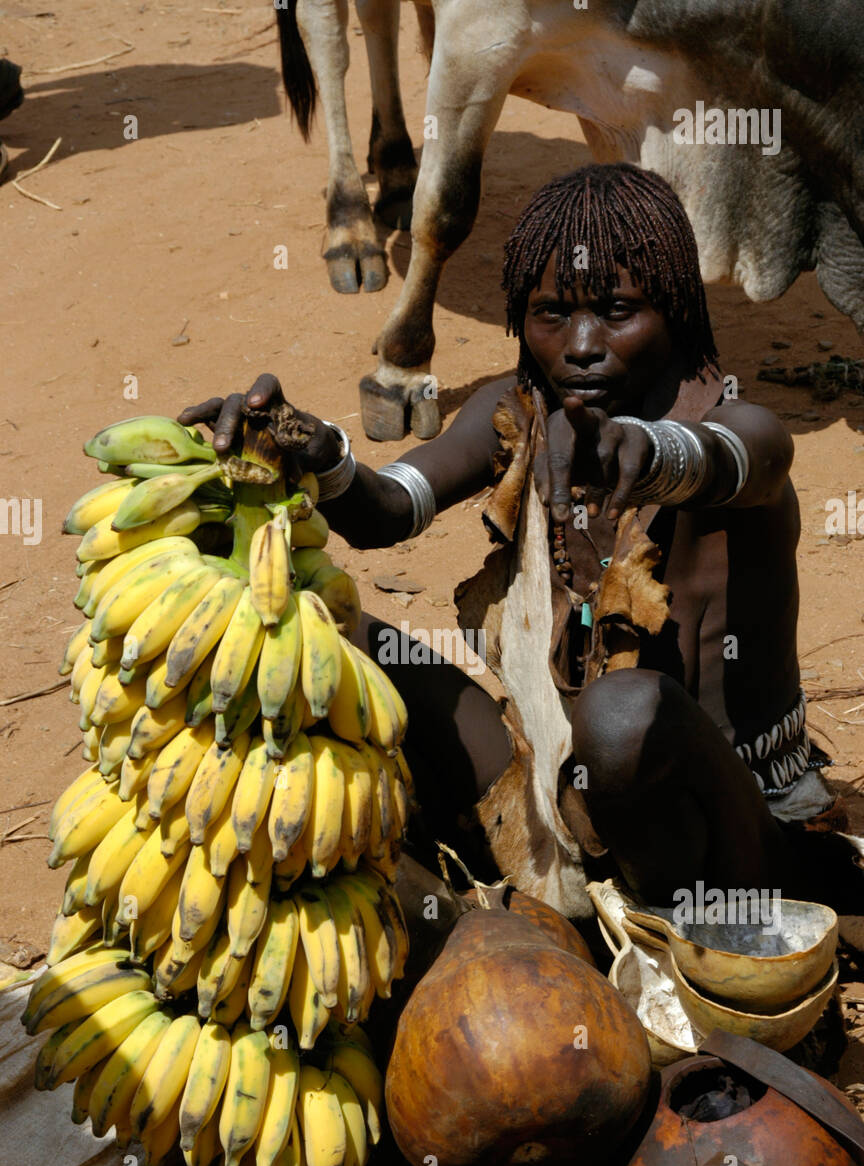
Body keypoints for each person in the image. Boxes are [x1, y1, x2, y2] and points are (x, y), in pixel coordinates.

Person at [180, 163, 863, 920]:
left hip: (728, 840)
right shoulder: (522, 411)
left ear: (672, 307)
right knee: (320, 632)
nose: (580, 346)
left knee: (620, 715)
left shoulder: (727, 427)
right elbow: (389, 510)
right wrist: (316, 450)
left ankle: (664, 947)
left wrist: (649, 451)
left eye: (616, 310)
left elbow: (750, 458)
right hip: (556, 792)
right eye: (550, 314)